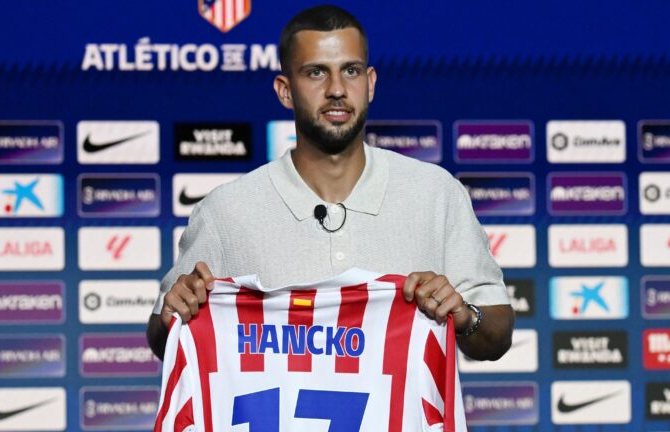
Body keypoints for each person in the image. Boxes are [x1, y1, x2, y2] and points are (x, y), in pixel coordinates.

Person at [147, 4, 513, 362]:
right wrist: (173, 317)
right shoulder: (225, 211)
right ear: (285, 90)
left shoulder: (436, 193)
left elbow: (497, 335)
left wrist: (465, 316)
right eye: (316, 73)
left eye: (351, 71)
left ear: (370, 83)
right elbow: (164, 337)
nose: (337, 89)